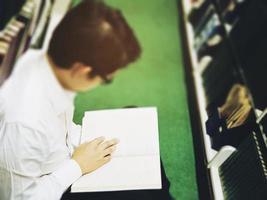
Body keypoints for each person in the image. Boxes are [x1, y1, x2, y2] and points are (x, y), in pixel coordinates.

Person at [0, 0, 172, 200]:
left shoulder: (50, 66)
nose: (103, 82)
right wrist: (77, 166)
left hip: (65, 158)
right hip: (54, 186)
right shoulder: (24, 124)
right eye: (106, 79)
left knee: (137, 127)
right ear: (82, 69)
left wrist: (87, 143)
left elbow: (61, 133)